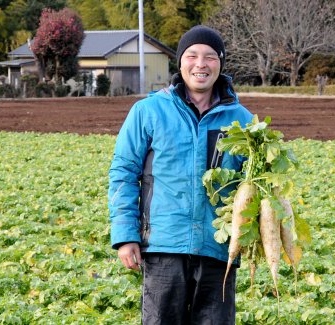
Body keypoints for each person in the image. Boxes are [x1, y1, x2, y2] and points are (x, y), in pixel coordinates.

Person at [108, 25, 253, 324]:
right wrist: (125, 236)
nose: (201, 64)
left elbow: (254, 185)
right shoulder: (148, 111)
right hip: (163, 246)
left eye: (210, 57)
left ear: (221, 63)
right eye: (192, 55)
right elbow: (124, 173)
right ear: (180, 62)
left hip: (218, 250)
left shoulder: (243, 121)